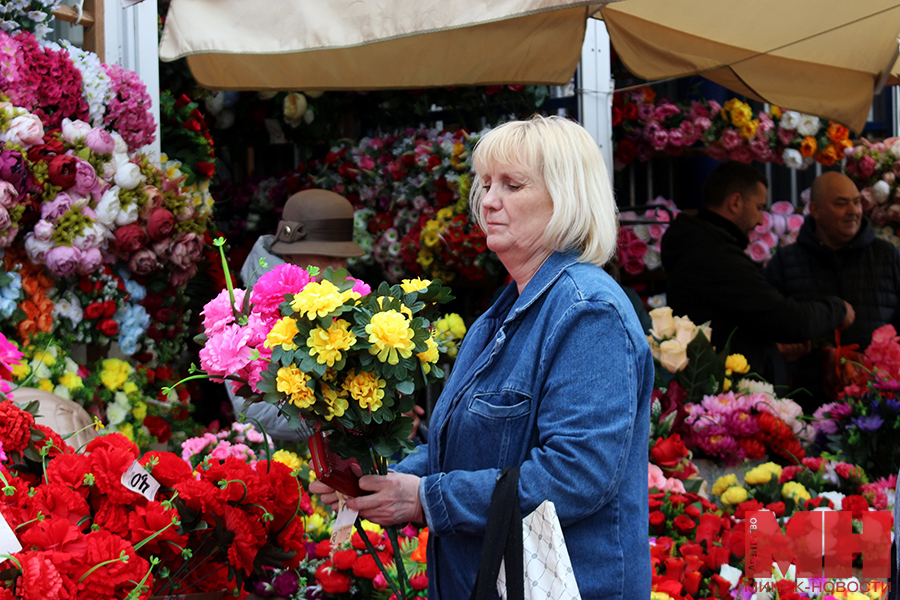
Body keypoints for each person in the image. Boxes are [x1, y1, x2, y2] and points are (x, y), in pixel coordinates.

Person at [311, 116, 653, 599]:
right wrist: (381, 481)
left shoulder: (587, 312)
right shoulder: (504, 309)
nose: (489, 201)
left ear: (567, 198)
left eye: (512, 185)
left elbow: (576, 475)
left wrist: (426, 501)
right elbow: (463, 452)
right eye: (486, 183)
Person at [660, 161, 853, 385]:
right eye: (759, 207)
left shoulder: (703, 245)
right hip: (727, 395)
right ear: (735, 203)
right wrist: (837, 309)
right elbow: (786, 319)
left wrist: (769, 349)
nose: (762, 220)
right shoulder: (715, 255)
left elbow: (739, 322)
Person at [228, 189, 366, 439]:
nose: (339, 269)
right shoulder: (249, 309)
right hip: (281, 461)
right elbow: (257, 411)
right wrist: (347, 420)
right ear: (289, 253)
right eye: (327, 257)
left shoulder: (339, 294)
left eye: (344, 259)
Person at [765, 171, 900, 407]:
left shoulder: (887, 256)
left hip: (880, 406)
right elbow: (768, 330)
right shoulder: (786, 262)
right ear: (815, 210)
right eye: (841, 203)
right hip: (806, 405)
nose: (853, 211)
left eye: (857, 202)